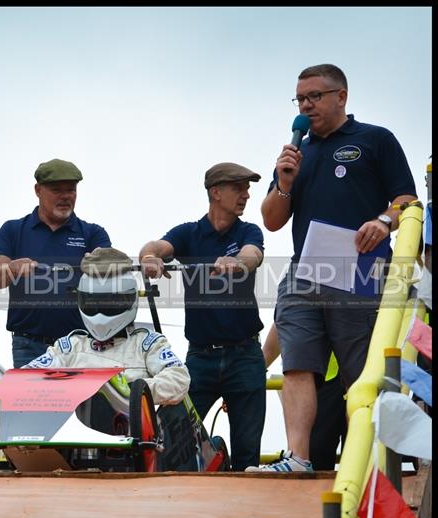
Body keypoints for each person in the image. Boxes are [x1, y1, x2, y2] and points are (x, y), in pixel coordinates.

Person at [250, 63, 417, 472]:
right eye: (300, 99)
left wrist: (382, 221)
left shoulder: (375, 139)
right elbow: (272, 220)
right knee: (297, 361)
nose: (306, 106)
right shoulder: (296, 152)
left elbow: (406, 200)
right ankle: (298, 457)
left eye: (315, 97)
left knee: (359, 369)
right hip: (304, 271)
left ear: (341, 96)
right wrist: (285, 180)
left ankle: (371, 461)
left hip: (360, 269)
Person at [139, 162, 267, 471]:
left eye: (247, 188)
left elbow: (254, 254)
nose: (246, 195)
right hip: (200, 359)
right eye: (239, 188)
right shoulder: (188, 234)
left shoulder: (248, 231)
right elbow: (155, 246)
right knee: (175, 442)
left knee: (248, 456)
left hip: (245, 357)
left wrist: (238, 263)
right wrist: (149, 258)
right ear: (216, 192)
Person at [24, 248, 193, 470]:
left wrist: (131, 392)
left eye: (109, 303)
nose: (100, 313)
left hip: (131, 449)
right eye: (94, 304)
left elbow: (179, 379)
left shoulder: (147, 343)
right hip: (73, 447)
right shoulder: (71, 345)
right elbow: (27, 376)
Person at [0, 158, 111, 368]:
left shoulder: (93, 234)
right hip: (29, 346)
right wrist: (12, 268)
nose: (65, 197)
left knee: (84, 402)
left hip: (82, 345)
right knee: (32, 402)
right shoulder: (13, 230)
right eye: (56, 190)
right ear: (37, 190)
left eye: (71, 190)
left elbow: (110, 274)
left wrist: (102, 264)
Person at [262, 323, 346, 471]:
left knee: (361, 461)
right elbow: (286, 320)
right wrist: (251, 376)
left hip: (355, 376)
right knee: (316, 455)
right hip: (321, 380)